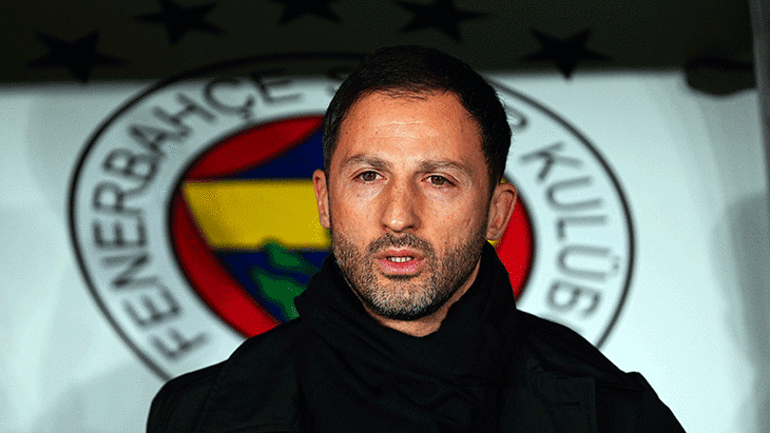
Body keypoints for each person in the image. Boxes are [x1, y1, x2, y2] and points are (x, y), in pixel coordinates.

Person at [147, 45, 685, 433]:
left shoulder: (613, 413)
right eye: (368, 176)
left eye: (438, 180)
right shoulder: (197, 415)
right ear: (324, 201)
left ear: (496, 214)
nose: (399, 217)